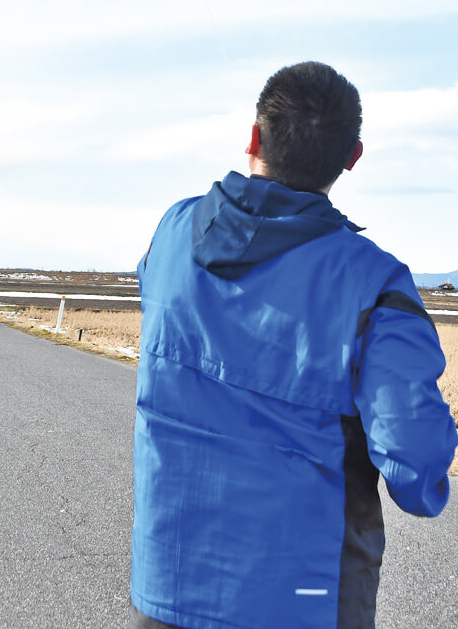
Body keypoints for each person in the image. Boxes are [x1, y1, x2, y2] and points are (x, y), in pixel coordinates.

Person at [130, 61, 457, 629]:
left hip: (165, 588)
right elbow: (416, 470)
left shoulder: (172, 230)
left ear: (254, 137)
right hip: (305, 599)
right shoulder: (375, 285)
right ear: (352, 157)